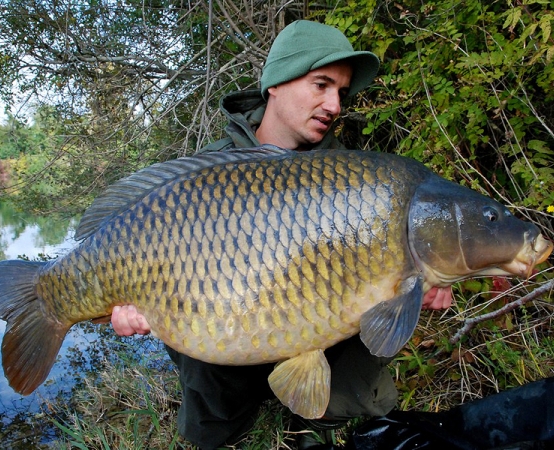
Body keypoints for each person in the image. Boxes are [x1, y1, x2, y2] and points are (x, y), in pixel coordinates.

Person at [111, 20, 453, 449]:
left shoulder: (350, 177)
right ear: (275, 84)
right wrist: (131, 307)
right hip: (226, 332)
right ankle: (227, 415)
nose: (334, 105)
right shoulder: (210, 172)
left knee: (378, 307)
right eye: (321, 85)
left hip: (311, 327)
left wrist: (418, 281)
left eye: (342, 94)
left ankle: (318, 411)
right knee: (214, 425)